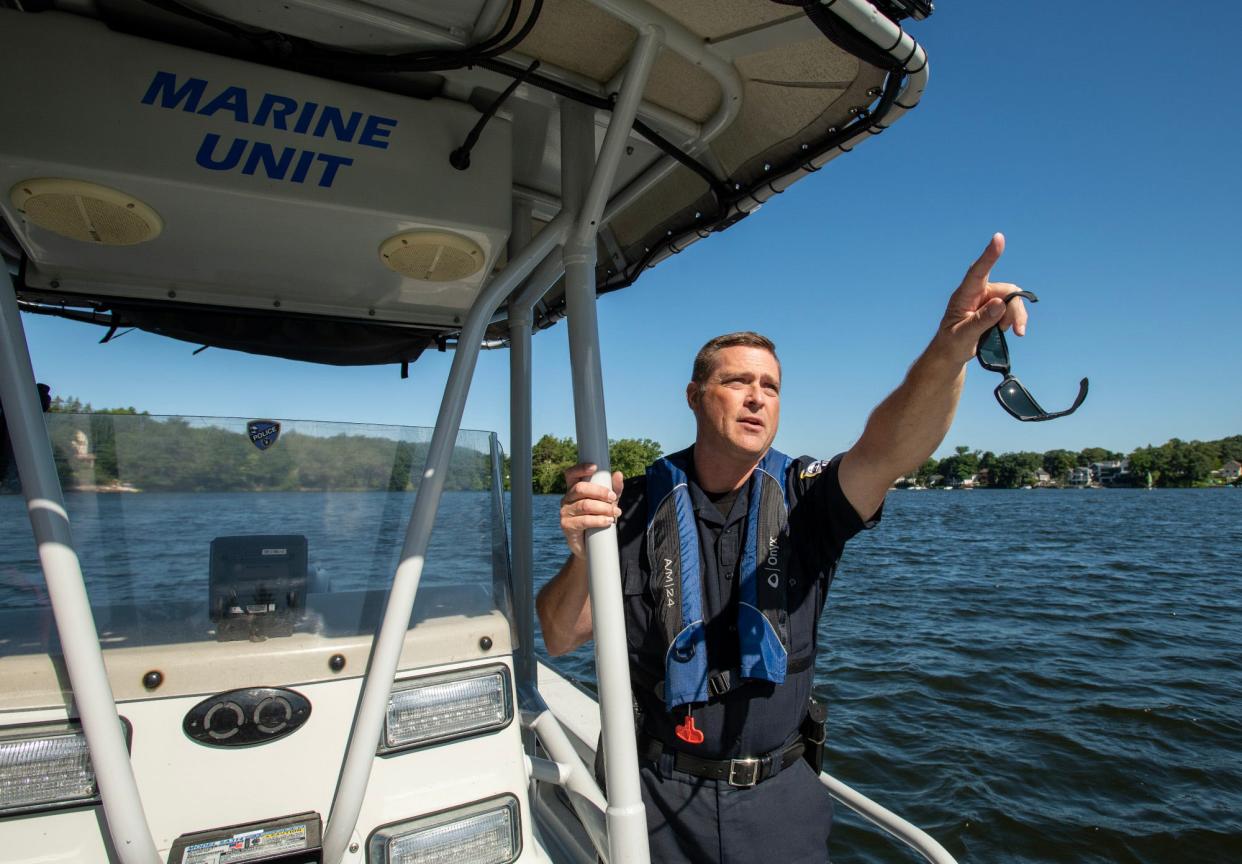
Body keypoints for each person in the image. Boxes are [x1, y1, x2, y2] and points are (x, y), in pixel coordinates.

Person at [536, 234, 1030, 862]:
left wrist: (951, 348)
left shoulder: (807, 497)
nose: (757, 397)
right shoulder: (631, 505)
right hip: (652, 796)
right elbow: (557, 636)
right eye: (737, 382)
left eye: (770, 386)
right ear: (694, 397)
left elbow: (890, 448)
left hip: (779, 803)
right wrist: (584, 553)